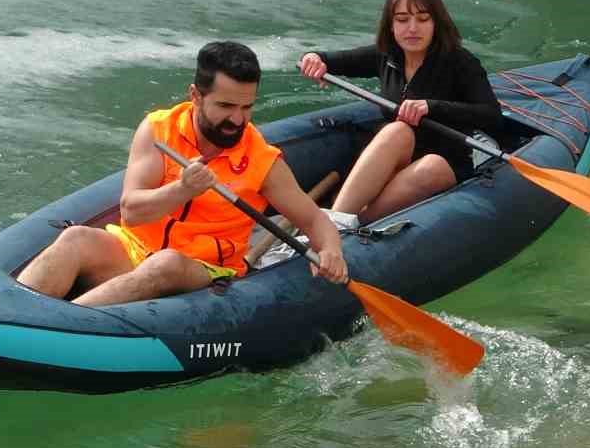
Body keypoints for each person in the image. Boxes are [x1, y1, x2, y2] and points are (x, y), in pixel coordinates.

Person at [18, 41, 348, 306]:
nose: (238, 120)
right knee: (77, 238)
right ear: (196, 96)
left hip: (204, 269)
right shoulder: (158, 129)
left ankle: (62, 326)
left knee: (166, 264)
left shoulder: (261, 159)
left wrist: (331, 250)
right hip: (136, 247)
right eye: (225, 107)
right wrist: (182, 189)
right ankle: (10, 309)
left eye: (247, 107)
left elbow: (315, 221)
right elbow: (131, 212)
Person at [298, 0, 500, 223]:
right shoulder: (387, 54)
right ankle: (336, 220)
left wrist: (431, 107)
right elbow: (334, 59)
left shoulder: (460, 62)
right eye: (402, 20)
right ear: (391, 25)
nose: (412, 28)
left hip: (446, 162)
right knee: (398, 131)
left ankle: (353, 224)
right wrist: (314, 57)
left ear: (436, 23)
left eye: (423, 19)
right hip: (398, 156)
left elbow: (491, 115)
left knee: (431, 165)